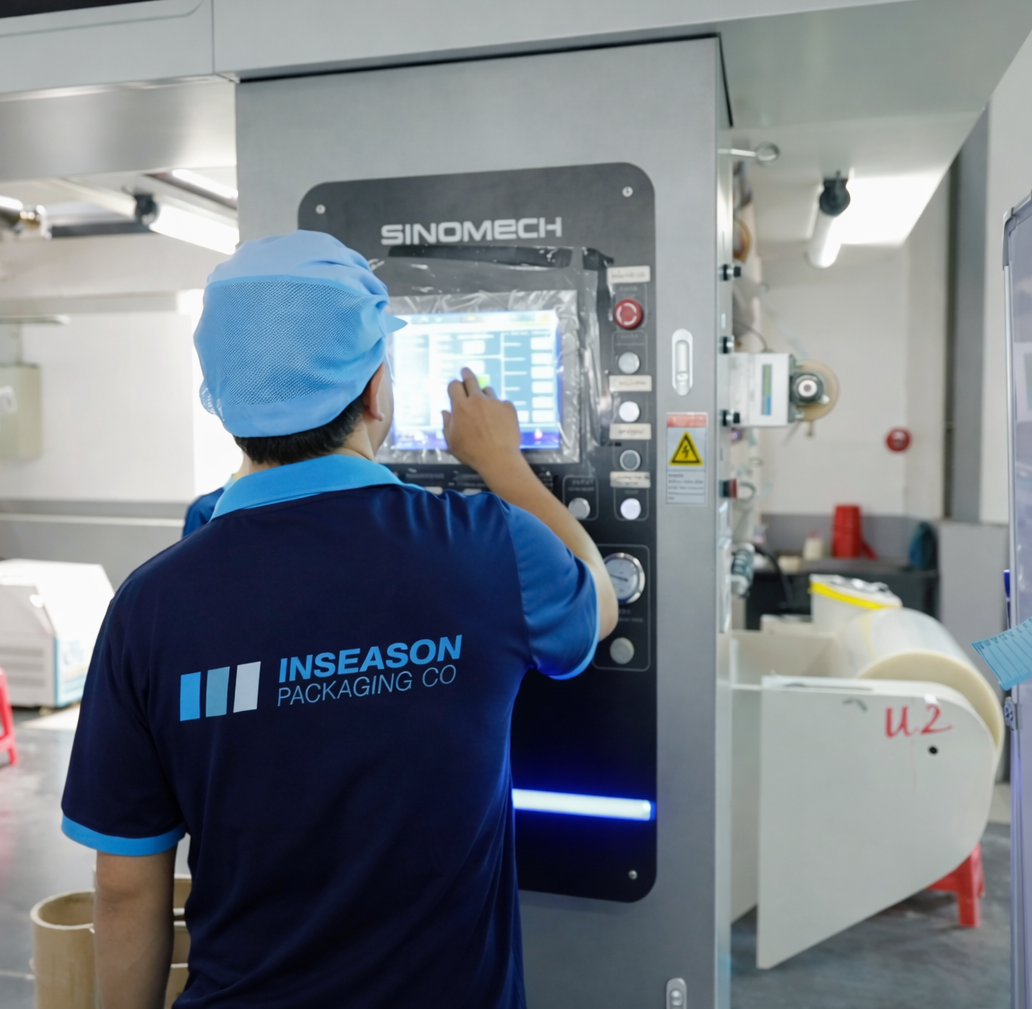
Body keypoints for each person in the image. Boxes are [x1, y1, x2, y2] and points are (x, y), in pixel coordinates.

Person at [61, 231, 618, 1009]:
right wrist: (503, 464)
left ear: (224, 400)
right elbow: (597, 600)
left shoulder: (150, 604)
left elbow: (125, 888)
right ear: (375, 391)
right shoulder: (489, 548)